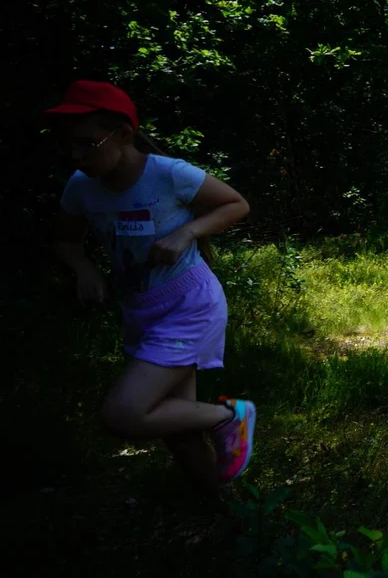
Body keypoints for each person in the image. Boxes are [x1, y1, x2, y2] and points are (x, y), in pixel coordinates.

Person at [48, 80, 256, 490]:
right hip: (141, 307)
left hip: (189, 303)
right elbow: (66, 240)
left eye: (87, 144)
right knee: (174, 420)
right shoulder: (80, 185)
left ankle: (231, 416)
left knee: (124, 414)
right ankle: (222, 504)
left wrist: (187, 233)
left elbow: (237, 204)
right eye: (69, 145)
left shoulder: (168, 174)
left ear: (123, 135)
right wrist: (85, 269)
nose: (76, 156)